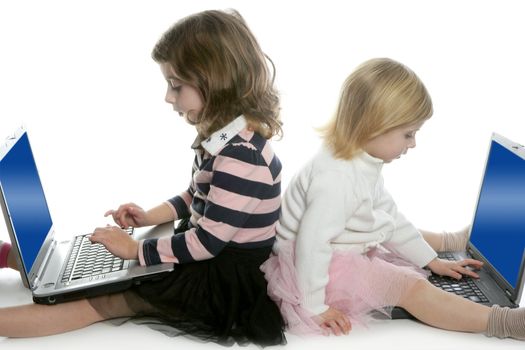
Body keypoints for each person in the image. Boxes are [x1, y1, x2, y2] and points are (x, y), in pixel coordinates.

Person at [0, 9, 286, 346]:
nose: (168, 96)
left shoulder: (241, 158)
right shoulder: (222, 139)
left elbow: (207, 243)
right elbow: (196, 197)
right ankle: (20, 260)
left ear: (216, 80)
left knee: (105, 299)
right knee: (103, 272)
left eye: (176, 85)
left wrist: (137, 250)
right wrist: (150, 216)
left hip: (221, 279)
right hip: (209, 252)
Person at [261, 58, 525, 340]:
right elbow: (312, 245)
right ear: (373, 126)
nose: (413, 144)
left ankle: (451, 243)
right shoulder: (336, 179)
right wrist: (315, 306)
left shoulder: (360, 160)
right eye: (408, 134)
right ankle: (504, 322)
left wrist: (431, 260)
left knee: (384, 224)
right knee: (410, 287)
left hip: (336, 249)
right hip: (315, 269)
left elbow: (389, 216)